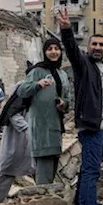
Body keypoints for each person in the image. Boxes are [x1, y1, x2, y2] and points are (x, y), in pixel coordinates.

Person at [57, 7, 103, 205]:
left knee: (88, 171)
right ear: (88, 47)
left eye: (101, 45)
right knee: (91, 171)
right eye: (94, 44)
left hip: (102, 129)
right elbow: (71, 50)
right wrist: (66, 30)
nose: (98, 48)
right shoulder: (85, 66)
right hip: (91, 126)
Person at [18, 37, 72, 185]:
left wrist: (63, 104)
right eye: (50, 49)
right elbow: (22, 91)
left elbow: (68, 99)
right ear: (44, 52)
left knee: (52, 171)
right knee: (43, 176)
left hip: (56, 128)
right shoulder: (37, 71)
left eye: (56, 49)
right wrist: (38, 84)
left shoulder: (62, 74)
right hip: (41, 130)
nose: (53, 52)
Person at [0, 80, 34, 204]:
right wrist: (28, 129)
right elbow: (14, 115)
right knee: (7, 171)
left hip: (31, 144)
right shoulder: (18, 99)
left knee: (38, 171)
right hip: (16, 143)